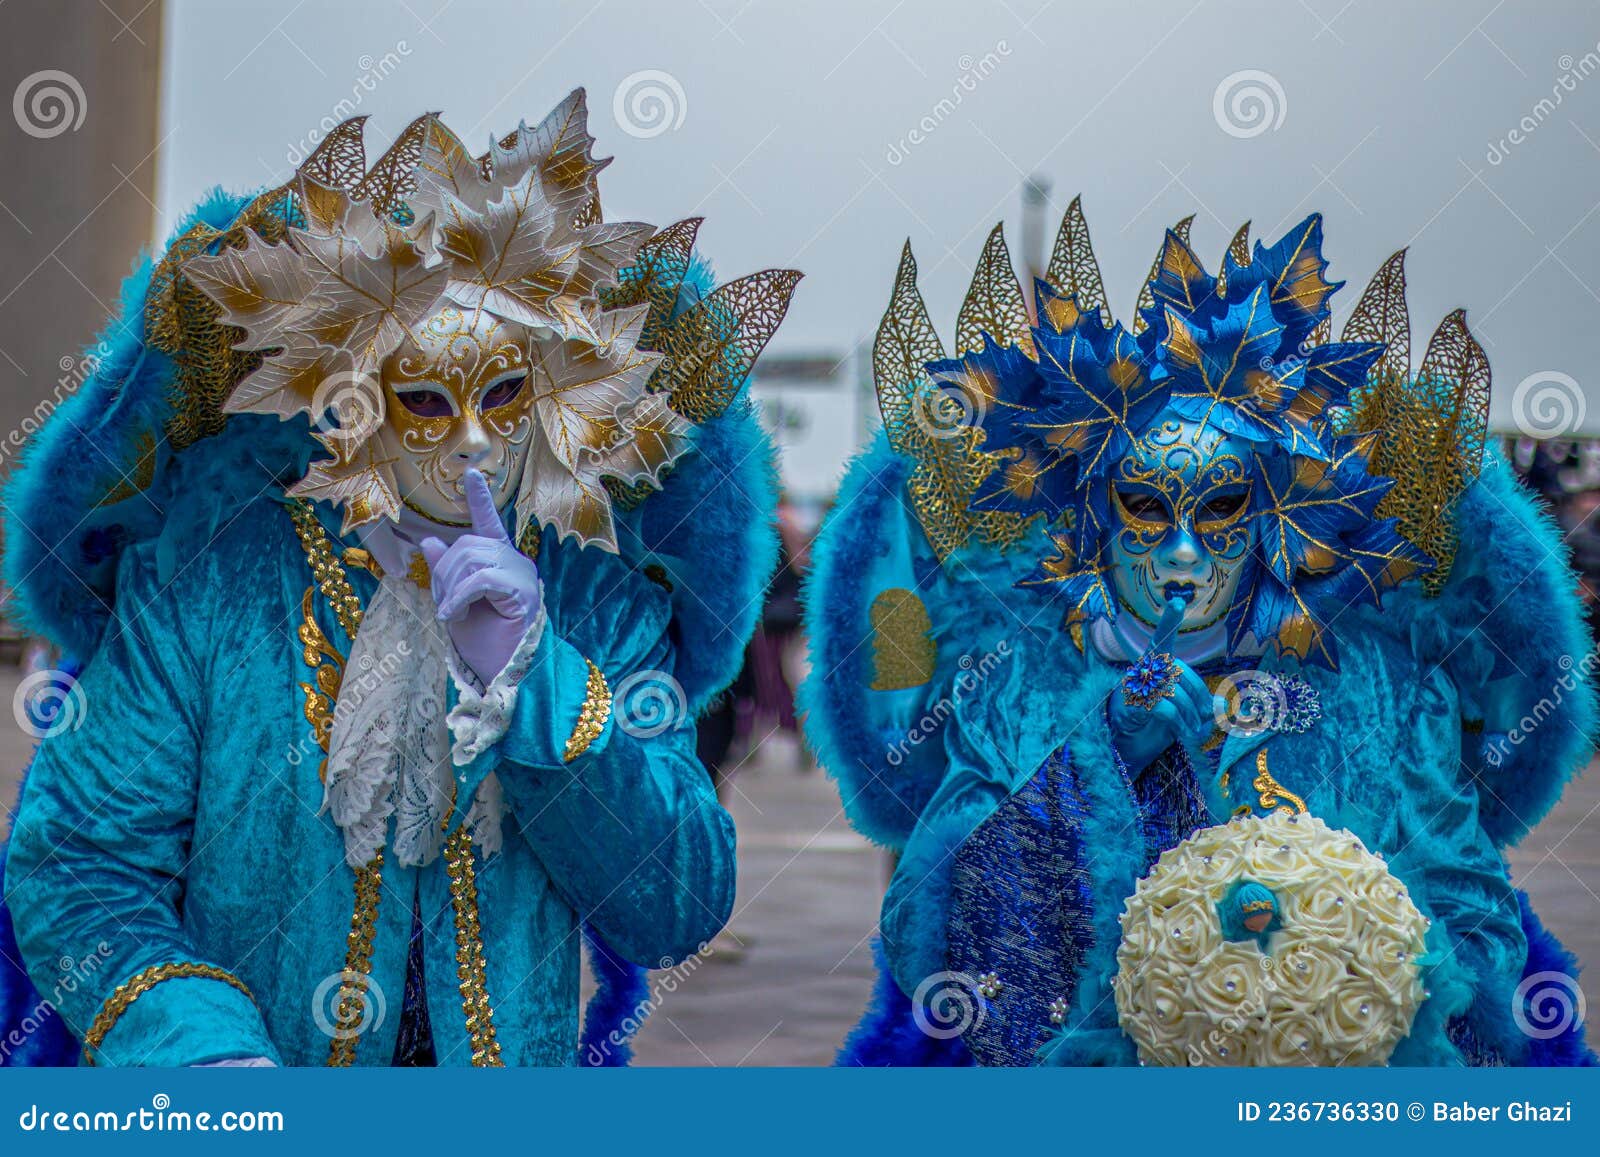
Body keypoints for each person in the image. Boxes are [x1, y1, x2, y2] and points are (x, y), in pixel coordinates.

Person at [0, 91, 799, 1067]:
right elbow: (81, 864)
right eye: (425, 399)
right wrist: (205, 1054)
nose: (470, 437)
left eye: (504, 393)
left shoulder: (597, 598)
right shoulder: (208, 589)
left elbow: (674, 905)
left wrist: (537, 679)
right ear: (350, 403)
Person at [803, 203, 1595, 1066]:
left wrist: (1350, 979)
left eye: (1222, 509)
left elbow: (1477, 934)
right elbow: (940, 940)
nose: (1183, 555)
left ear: (1277, 515)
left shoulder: (1385, 688)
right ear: (1094, 517)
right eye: (1144, 509)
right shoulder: (1013, 683)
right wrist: (1105, 758)